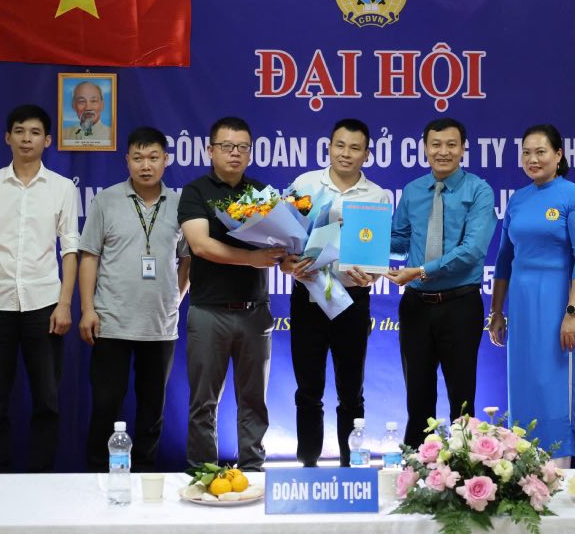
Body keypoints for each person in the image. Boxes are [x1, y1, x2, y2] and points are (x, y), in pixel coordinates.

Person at [0, 104, 79, 473]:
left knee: (47, 400)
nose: (26, 138)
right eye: (19, 131)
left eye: (34, 132)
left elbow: (71, 248)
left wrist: (64, 305)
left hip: (44, 305)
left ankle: (40, 479)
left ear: (47, 140)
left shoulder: (62, 188)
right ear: (7, 137)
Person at [79, 126, 190, 472]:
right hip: (110, 322)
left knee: (151, 410)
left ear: (166, 160)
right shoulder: (106, 200)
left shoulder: (180, 204)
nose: (146, 165)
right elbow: (89, 256)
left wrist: (176, 298)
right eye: (138, 157)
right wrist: (87, 310)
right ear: (126, 160)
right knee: (106, 406)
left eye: (154, 157)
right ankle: (98, 476)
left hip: (159, 326)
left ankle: (145, 479)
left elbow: (188, 257)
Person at [178, 116, 286, 471]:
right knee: (203, 402)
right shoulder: (195, 192)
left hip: (256, 313)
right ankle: (203, 472)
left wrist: (292, 255)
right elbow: (200, 245)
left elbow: (281, 244)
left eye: (242, 147)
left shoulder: (261, 194)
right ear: (211, 150)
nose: (235, 154)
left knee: (254, 400)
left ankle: (253, 470)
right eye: (227, 147)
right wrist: (252, 258)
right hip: (210, 311)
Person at [280, 118, 390, 467]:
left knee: (351, 392)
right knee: (308, 390)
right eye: (340, 145)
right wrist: (289, 261)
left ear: (366, 154)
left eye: (355, 147)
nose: (346, 153)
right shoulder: (305, 184)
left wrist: (371, 274)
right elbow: (286, 238)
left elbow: (376, 257)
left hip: (351, 301)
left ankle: (351, 465)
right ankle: (307, 464)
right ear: (329, 146)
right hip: (309, 296)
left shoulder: (376, 196)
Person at [387, 117, 496, 448]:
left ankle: (465, 478)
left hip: (460, 305)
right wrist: (358, 236)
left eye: (451, 144)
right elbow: (399, 240)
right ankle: (418, 476)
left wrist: (419, 271)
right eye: (435, 144)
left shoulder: (478, 190)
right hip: (416, 307)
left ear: (464, 149)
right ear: (425, 148)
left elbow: (471, 252)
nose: (443, 151)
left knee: (462, 401)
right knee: (417, 400)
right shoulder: (413, 190)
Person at [488, 124, 575, 467]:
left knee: (554, 383)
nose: (533, 159)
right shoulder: (518, 199)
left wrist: (573, 312)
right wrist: (497, 312)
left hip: (557, 303)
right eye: (526, 153)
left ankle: (556, 473)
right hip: (521, 302)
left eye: (541, 152)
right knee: (524, 382)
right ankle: (522, 469)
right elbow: (504, 259)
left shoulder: (573, 197)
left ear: (559, 155)